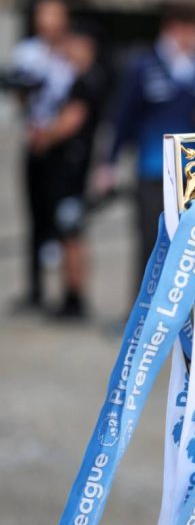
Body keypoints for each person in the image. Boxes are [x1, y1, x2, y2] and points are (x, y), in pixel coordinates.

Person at [95, 4, 195, 285]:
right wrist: (109, 162)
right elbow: (123, 116)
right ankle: (143, 313)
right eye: (190, 31)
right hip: (153, 169)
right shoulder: (143, 65)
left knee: (193, 241)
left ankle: (187, 314)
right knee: (151, 241)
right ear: (174, 29)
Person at [29, 22, 107, 318]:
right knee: (68, 232)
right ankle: (71, 294)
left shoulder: (85, 82)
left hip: (72, 167)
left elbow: (71, 120)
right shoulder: (85, 79)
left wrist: (43, 137)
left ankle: (75, 296)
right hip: (73, 164)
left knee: (70, 230)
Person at [9, 0, 74, 310]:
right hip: (34, 141)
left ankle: (68, 292)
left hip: (64, 146)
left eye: (55, 14)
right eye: (43, 15)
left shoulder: (72, 53)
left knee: (63, 218)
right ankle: (35, 290)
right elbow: (17, 92)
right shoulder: (27, 52)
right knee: (34, 216)